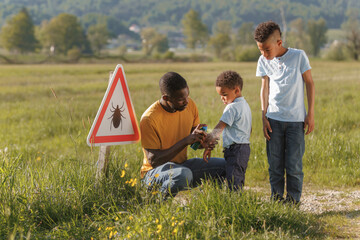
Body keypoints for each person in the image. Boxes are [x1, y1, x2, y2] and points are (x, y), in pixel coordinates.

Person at [254, 21, 315, 204]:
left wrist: (310, 113)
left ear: (279, 43)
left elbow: (310, 83)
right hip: (273, 120)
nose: (264, 54)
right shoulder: (263, 61)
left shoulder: (298, 56)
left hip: (296, 121)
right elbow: (264, 88)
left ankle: (293, 201)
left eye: (267, 50)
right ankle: (277, 200)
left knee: (294, 165)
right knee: (275, 165)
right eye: (260, 50)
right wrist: (263, 116)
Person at [140, 71, 226, 198]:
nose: (186, 102)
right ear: (166, 98)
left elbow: (194, 142)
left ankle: (208, 203)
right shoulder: (149, 119)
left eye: (187, 96)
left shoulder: (189, 105)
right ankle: (155, 205)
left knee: (226, 165)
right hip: (153, 173)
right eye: (180, 100)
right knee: (183, 175)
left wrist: (203, 142)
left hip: (181, 166)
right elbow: (154, 161)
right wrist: (185, 141)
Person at [203, 71, 252, 191]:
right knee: (238, 177)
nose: (222, 98)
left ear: (236, 90)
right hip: (244, 147)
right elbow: (250, 129)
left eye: (224, 94)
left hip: (235, 149)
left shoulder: (231, 107)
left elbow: (219, 128)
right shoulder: (245, 105)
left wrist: (208, 146)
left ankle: (234, 204)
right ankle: (236, 201)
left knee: (233, 180)